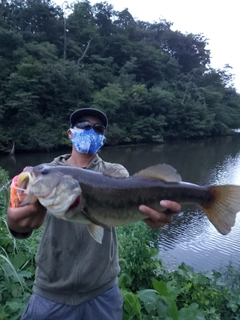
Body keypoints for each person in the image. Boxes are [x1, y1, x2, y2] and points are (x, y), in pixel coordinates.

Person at [7, 108, 181, 320]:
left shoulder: (115, 173)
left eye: (98, 128)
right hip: (50, 292)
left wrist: (153, 215)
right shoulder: (49, 171)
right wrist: (17, 226)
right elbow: (21, 219)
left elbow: (135, 205)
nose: (91, 130)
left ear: (103, 137)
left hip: (103, 292)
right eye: (84, 125)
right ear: (70, 133)